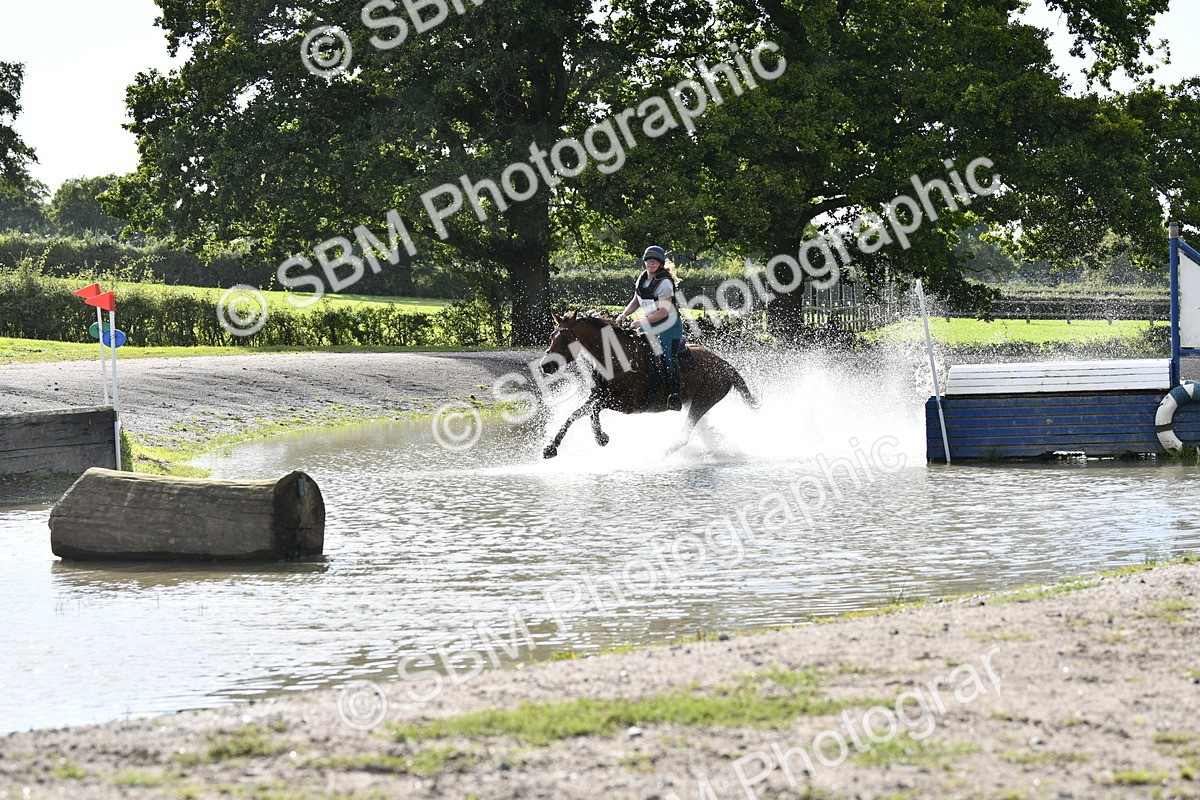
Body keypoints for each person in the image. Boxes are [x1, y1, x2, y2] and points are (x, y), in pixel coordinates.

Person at [615, 245, 685, 410]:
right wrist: (623, 315)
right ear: (645, 262)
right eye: (648, 260)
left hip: (669, 324)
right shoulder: (642, 278)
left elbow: (663, 311)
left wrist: (641, 322)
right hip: (651, 322)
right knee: (635, 348)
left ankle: (675, 396)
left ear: (660, 263)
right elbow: (636, 301)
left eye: (655, 261)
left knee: (668, 357)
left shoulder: (665, 282)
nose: (651, 263)